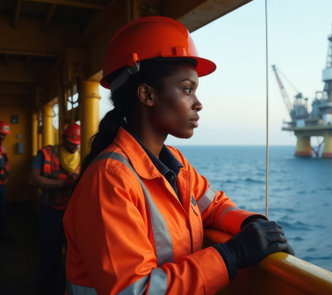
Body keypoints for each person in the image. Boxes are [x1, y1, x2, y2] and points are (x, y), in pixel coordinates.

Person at [63, 16, 294, 295]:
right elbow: (135, 290)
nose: (198, 103)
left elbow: (214, 205)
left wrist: (251, 222)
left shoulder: (174, 163)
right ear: (147, 95)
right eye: (187, 89)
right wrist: (232, 255)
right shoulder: (110, 180)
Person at [29, 122, 81, 295]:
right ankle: (45, 289)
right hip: (50, 213)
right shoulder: (46, 154)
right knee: (49, 256)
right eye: (71, 144)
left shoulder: (80, 159)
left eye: (77, 145)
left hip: (71, 214)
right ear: (63, 139)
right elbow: (33, 179)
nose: (74, 148)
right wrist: (63, 183)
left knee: (72, 259)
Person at [0, 120, 11, 241]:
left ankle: (2, 234)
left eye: (4, 134)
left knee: (2, 210)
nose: (3, 137)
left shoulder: (2, 147)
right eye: (1, 134)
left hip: (2, 184)